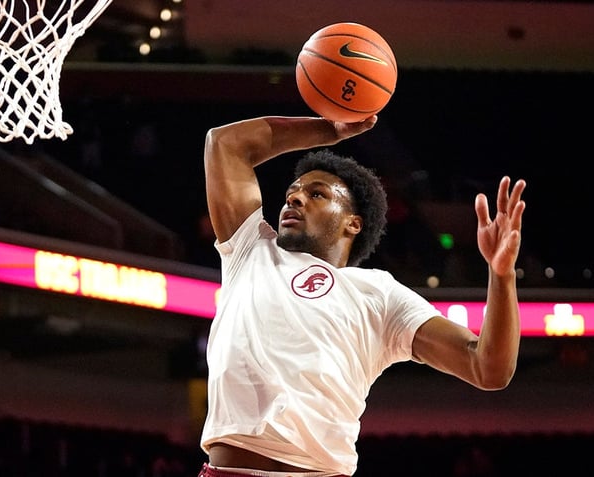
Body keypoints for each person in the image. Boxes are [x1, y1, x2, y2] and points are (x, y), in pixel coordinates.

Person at [197, 114, 526, 477]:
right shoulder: (251, 249)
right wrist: (329, 130)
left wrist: (501, 275)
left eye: (316, 193)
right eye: (292, 193)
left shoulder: (380, 293)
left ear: (353, 223)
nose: (295, 199)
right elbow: (223, 143)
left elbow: (488, 368)